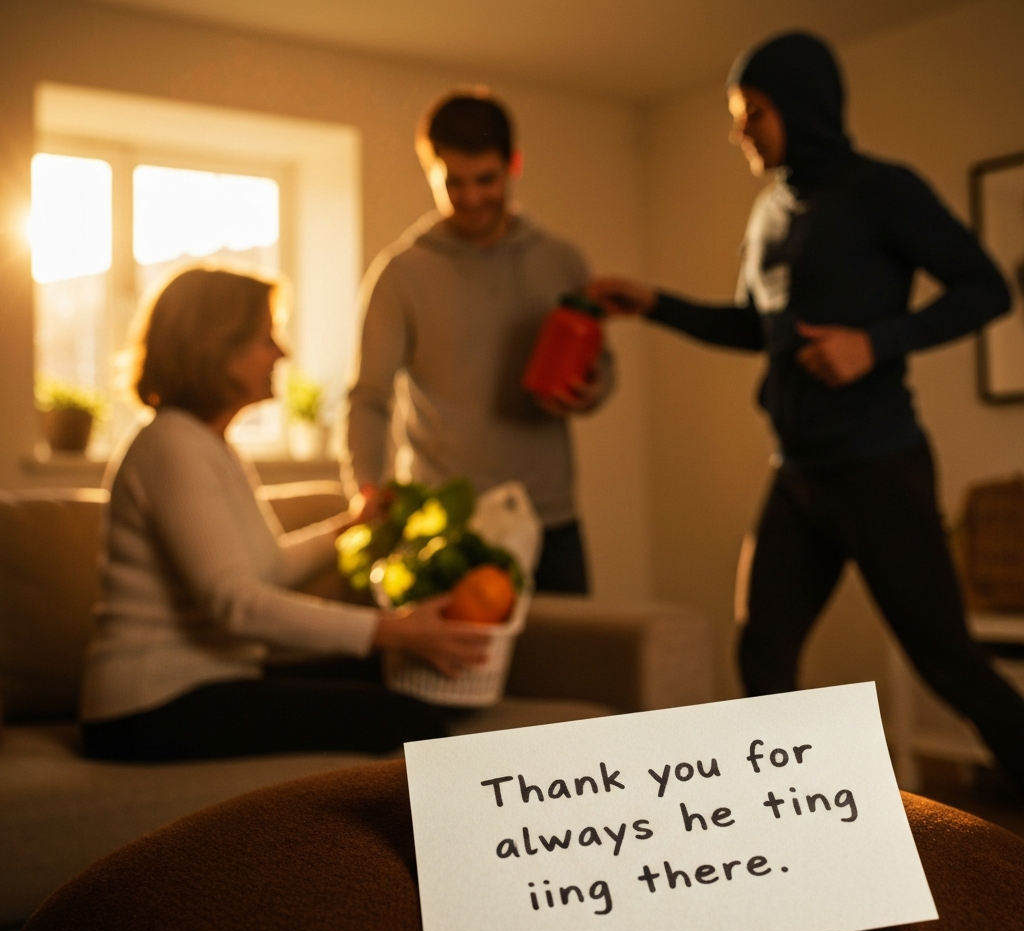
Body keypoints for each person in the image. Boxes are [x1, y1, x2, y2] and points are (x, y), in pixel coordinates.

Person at [589, 31, 1024, 792]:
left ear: (800, 107)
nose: (740, 131)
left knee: (948, 663)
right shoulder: (769, 215)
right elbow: (759, 330)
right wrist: (653, 305)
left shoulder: (884, 191)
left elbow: (987, 287)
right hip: (797, 474)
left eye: (751, 112)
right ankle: (791, 836)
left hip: (877, 465)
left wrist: (877, 343)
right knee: (762, 657)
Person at [81, 265, 489, 762]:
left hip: (204, 685)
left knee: (392, 678)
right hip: (148, 706)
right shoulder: (172, 447)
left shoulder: (209, 445)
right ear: (216, 347)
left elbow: (263, 569)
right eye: (264, 338)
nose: (282, 352)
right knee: (407, 720)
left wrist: (349, 529)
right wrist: (393, 629)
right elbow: (237, 603)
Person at [347, 88, 615, 594]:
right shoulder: (401, 273)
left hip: (548, 519)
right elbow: (368, 398)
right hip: (446, 525)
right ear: (431, 172)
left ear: (514, 164)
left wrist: (592, 389)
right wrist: (366, 487)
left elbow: (604, 366)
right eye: (453, 183)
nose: (470, 199)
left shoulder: (562, 261)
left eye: (486, 180)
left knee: (566, 671)